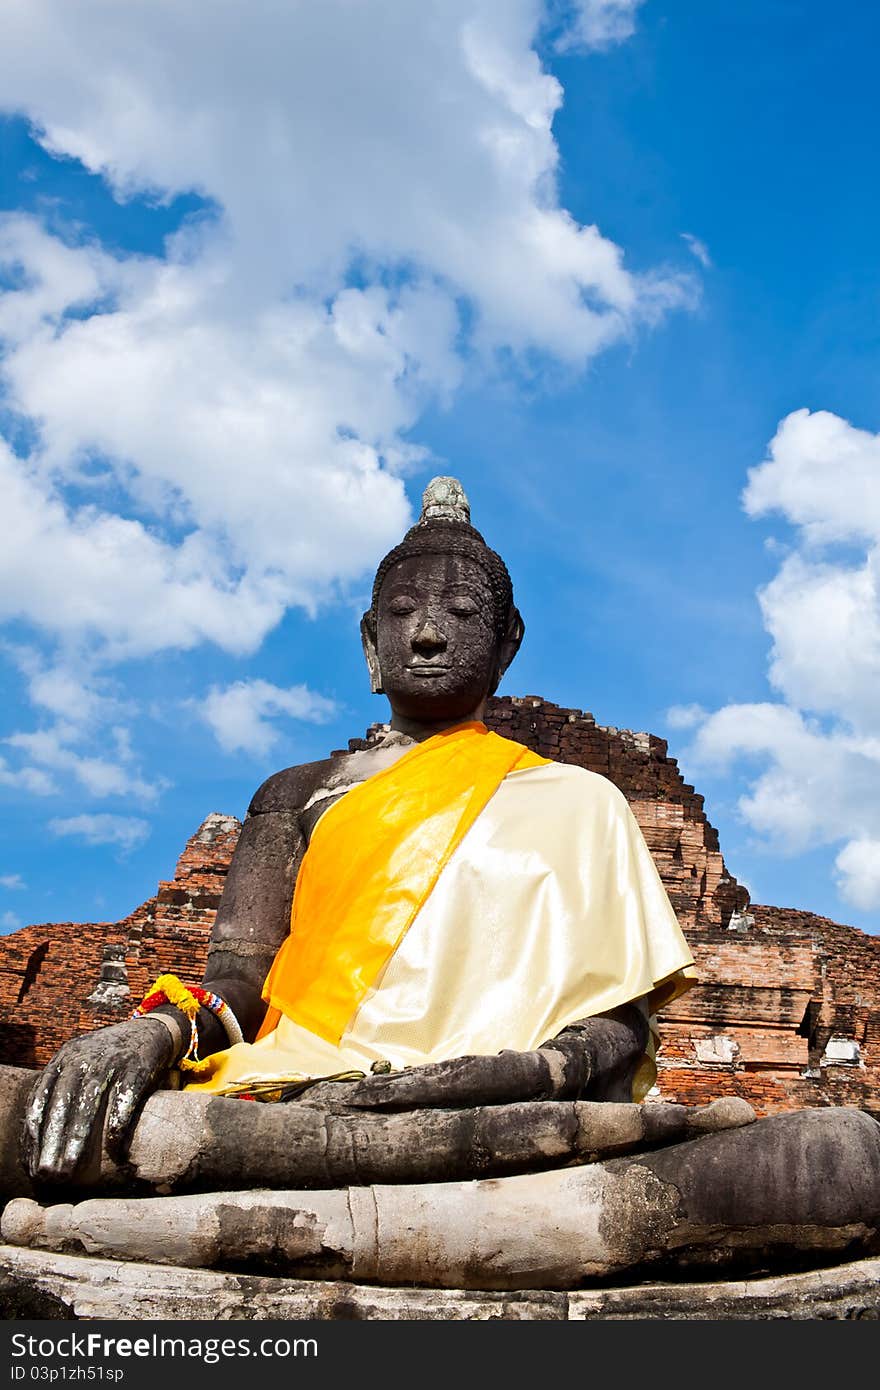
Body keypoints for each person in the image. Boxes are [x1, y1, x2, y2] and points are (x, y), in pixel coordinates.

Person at [23, 477, 696, 1182]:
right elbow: (241, 986)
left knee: (802, 1161)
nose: (430, 634)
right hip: (296, 1096)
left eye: (463, 613)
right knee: (41, 1118)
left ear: (507, 643)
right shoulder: (299, 795)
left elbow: (619, 1019)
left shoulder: (583, 801)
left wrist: (539, 1071)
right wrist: (154, 1032)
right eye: (403, 613)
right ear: (372, 640)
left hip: (507, 1110)